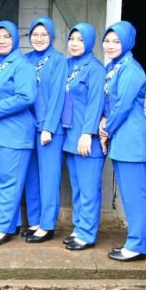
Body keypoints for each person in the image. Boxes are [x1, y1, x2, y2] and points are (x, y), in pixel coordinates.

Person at [99, 21, 146, 262]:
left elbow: (121, 106)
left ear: (128, 43)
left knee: (135, 196)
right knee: (132, 194)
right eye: (107, 40)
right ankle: (142, 241)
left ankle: (136, 246)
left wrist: (106, 129)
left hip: (133, 139)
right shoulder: (114, 67)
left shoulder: (131, 69)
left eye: (117, 41)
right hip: (124, 139)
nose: (110, 45)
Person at [0, 21, 36, 246]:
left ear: (15, 39)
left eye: (7, 36)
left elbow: (26, 97)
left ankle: (1, 228)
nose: (1, 41)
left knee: (9, 184)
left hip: (15, 132)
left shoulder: (21, 65)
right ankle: (12, 224)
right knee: (3, 181)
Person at [22, 16, 68, 243]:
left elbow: (58, 96)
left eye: (44, 34)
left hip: (49, 129)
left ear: (51, 36)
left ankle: (47, 225)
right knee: (31, 176)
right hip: (27, 127)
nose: (39, 38)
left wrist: (49, 127)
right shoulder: (25, 59)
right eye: (35, 34)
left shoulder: (58, 60)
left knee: (49, 178)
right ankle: (35, 222)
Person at [61, 23, 106, 251]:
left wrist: (87, 134)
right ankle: (79, 228)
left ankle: (87, 235)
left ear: (89, 42)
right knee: (77, 188)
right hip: (70, 137)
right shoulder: (68, 65)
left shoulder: (95, 69)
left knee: (89, 189)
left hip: (87, 139)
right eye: (72, 39)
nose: (74, 43)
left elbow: (96, 103)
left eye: (80, 40)